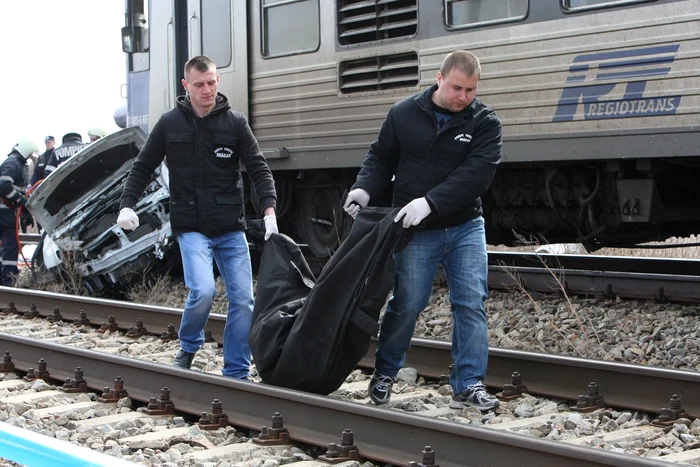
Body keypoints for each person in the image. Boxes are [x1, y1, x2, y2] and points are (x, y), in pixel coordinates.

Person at [343, 50, 502, 411]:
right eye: (457, 88)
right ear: (439, 78)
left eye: (471, 91)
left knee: (470, 303)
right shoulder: (403, 114)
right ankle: (385, 372)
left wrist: (429, 202)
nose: (463, 97)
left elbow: (477, 174)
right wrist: (364, 187)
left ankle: (469, 383)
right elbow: (381, 157)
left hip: (464, 226)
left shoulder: (485, 122)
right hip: (415, 233)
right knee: (408, 303)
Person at [116, 55, 278, 379]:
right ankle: (189, 346)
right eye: (200, 84)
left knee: (244, 300)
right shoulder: (169, 124)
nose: (207, 90)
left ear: (217, 81)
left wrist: (269, 210)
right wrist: (127, 205)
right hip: (191, 227)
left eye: (212, 83)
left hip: (231, 227)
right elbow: (142, 167)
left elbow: (259, 169)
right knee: (203, 291)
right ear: (186, 85)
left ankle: (236, 371)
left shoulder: (235, 123)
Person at [0, 139, 38, 286]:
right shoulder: (13, 164)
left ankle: (5, 278)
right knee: (10, 247)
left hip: (7, 213)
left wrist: (24, 212)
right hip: (4, 213)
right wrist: (22, 201)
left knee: (7, 247)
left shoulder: (18, 165)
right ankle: (8, 280)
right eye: (30, 154)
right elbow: (4, 186)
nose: (30, 157)